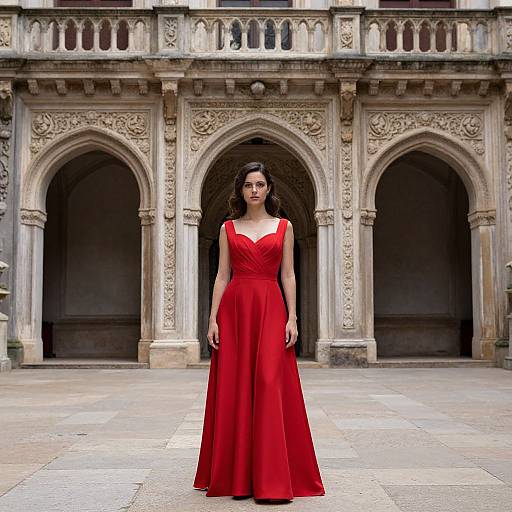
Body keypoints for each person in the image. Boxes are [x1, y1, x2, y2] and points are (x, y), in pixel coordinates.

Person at [193, 161, 325, 503]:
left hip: (270, 306)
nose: (254, 190)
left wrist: (293, 317)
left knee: (269, 381)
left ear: (269, 189)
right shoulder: (227, 229)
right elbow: (222, 275)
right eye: (248, 184)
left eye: (260, 184)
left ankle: (273, 478)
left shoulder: (285, 226)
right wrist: (212, 319)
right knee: (236, 387)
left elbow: (289, 275)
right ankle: (238, 479)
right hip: (235, 309)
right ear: (240, 190)